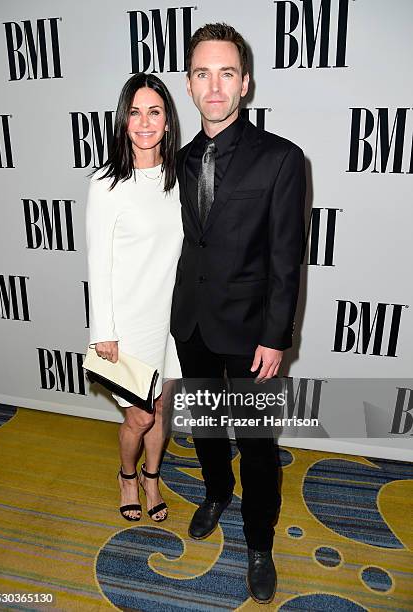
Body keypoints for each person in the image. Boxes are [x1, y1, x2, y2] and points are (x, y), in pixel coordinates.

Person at [170, 23, 306, 603]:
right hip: (192, 324)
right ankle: (216, 493)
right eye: (203, 73)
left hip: (253, 335)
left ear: (245, 83)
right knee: (203, 428)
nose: (215, 86)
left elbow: (287, 259)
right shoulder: (176, 161)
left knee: (256, 443)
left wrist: (276, 338)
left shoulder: (281, 159)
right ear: (190, 84)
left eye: (227, 72)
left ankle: (259, 542)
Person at [86, 73, 183, 523]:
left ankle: (152, 476)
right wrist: (103, 331)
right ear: (123, 120)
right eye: (135, 111)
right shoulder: (105, 184)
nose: (144, 121)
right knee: (140, 418)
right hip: (127, 326)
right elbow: (97, 261)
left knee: (162, 409)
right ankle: (127, 475)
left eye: (155, 111)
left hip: (171, 321)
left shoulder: (182, 177)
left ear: (167, 120)